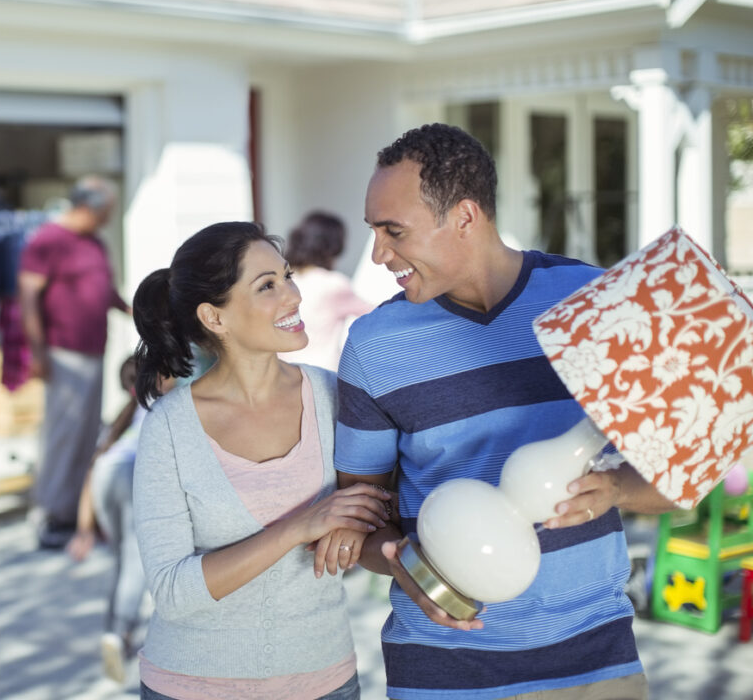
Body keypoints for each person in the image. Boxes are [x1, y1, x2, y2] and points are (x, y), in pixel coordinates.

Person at [325, 124, 676, 700]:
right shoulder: (374, 345)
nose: (378, 253)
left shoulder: (593, 304)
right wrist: (401, 564)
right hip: (443, 674)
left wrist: (614, 490)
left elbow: (675, 481)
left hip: (595, 667)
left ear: (464, 216)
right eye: (374, 231)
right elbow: (356, 519)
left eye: (394, 231)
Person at [131, 221, 392, 700]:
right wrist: (299, 527)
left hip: (325, 682)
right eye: (267, 286)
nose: (293, 296)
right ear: (215, 317)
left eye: (288, 276)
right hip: (192, 687)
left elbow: (380, 497)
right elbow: (172, 591)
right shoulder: (169, 427)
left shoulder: (334, 397)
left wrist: (356, 522)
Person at [18, 175, 130, 549]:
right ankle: (50, 514)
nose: (108, 220)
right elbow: (29, 297)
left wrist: (135, 310)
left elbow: (104, 290)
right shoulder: (49, 240)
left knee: (86, 435)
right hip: (64, 352)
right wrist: (36, 352)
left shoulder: (93, 242)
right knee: (63, 435)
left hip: (94, 348)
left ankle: (77, 512)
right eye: (106, 212)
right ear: (88, 207)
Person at [66, 355, 160, 684]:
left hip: (107, 478)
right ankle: (119, 632)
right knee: (136, 561)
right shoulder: (162, 408)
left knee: (124, 559)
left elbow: (94, 467)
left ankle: (115, 631)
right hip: (131, 475)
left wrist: (84, 529)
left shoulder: (122, 418)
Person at [279, 211, 374, 371]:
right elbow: (376, 314)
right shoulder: (332, 284)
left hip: (284, 373)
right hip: (322, 375)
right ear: (335, 244)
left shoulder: (282, 281)